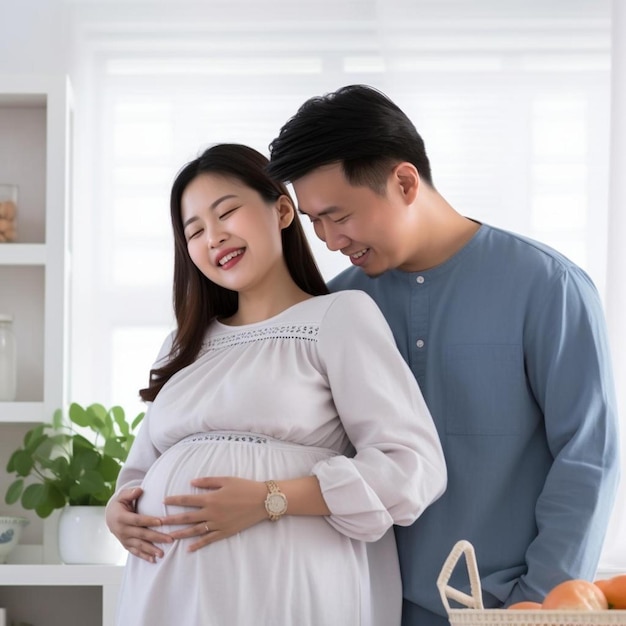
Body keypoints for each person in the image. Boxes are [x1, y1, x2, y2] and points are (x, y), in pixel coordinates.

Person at [265, 85, 621, 626]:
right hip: (358, 604)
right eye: (314, 221)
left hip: (506, 608)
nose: (329, 239)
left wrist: (539, 604)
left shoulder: (548, 286)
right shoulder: (332, 308)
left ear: (404, 182)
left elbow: (586, 455)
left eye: (338, 215)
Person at [107, 143, 447, 626]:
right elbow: (138, 474)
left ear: (283, 210)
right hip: (169, 592)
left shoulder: (339, 317)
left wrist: (271, 498)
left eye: (227, 213)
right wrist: (118, 513)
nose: (214, 237)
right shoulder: (181, 345)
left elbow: (411, 465)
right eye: (195, 230)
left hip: (290, 584)